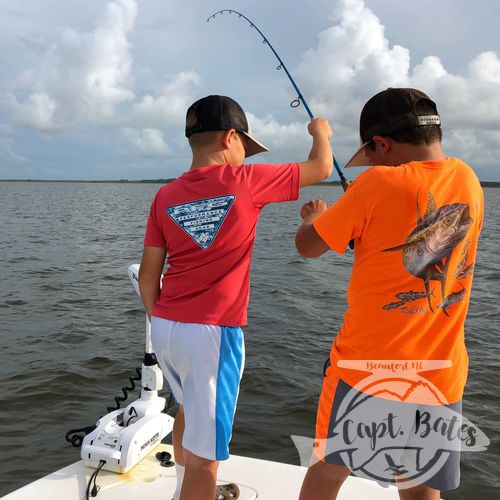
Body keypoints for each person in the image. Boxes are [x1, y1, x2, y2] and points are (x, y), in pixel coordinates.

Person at [139, 94, 333, 500]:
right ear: (230, 137)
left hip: (167, 327)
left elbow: (148, 275)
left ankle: (179, 489)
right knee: (207, 459)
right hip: (212, 334)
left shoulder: (164, 195)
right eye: (246, 145)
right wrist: (321, 132)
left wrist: (162, 319)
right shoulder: (246, 181)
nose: (247, 155)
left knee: (187, 409)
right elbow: (321, 167)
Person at [295, 88, 483, 500]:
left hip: (365, 371)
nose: (371, 165)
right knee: (419, 486)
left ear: (382, 143)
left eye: (371, 155)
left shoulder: (375, 184)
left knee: (328, 470)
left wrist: (318, 216)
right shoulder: (469, 180)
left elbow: (307, 246)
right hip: (439, 372)